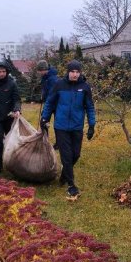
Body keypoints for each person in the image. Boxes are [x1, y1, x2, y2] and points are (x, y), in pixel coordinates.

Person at [40, 60, 96, 199]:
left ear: (80, 73)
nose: (75, 74)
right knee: (66, 156)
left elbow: (89, 107)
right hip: (61, 126)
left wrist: (92, 125)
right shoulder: (59, 85)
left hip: (77, 126)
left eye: (77, 72)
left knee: (75, 155)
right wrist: (44, 118)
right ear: (68, 72)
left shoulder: (85, 87)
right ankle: (71, 185)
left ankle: (65, 175)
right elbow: (50, 102)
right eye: (72, 71)